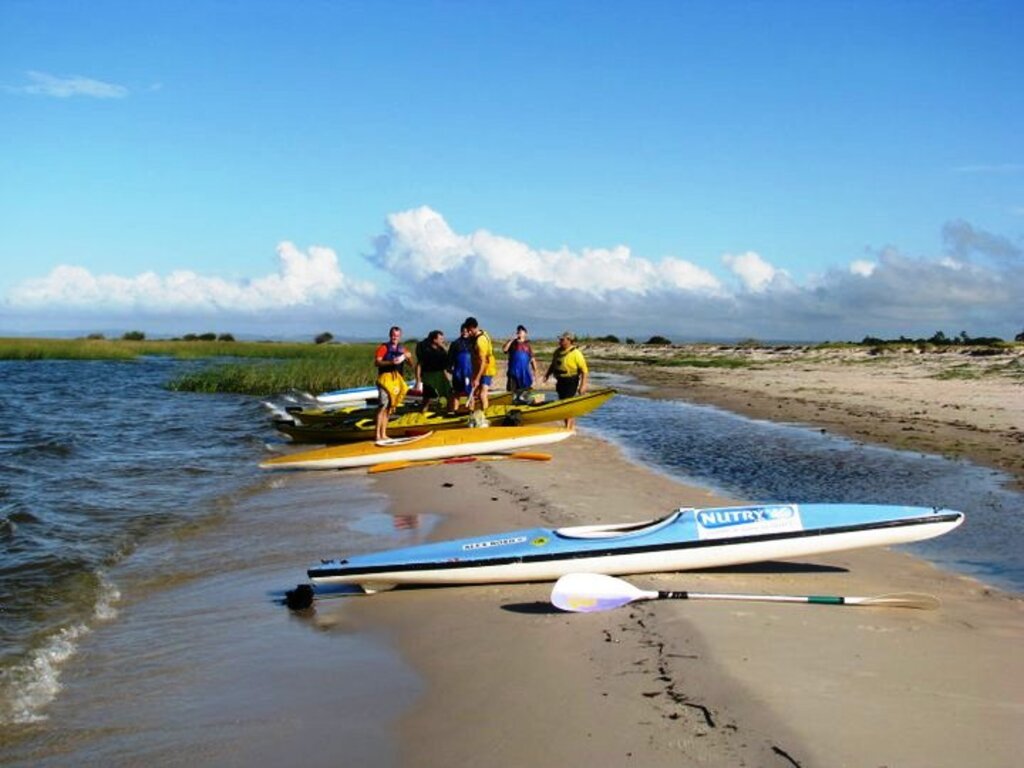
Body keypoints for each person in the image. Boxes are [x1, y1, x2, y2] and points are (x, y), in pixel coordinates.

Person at [543, 330, 589, 429]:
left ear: (569, 340)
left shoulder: (576, 353)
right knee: (563, 403)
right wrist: (547, 375)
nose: (560, 341)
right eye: (560, 339)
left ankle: (569, 427)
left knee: (567, 404)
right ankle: (568, 426)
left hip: (571, 380)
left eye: (562, 339)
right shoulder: (557, 352)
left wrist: (583, 385)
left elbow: (584, 370)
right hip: (560, 381)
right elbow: (553, 365)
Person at [374, 326, 409, 442]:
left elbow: (411, 363)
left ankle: (384, 434)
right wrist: (390, 362)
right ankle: (377, 435)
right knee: (382, 406)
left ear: (400, 336)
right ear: (390, 335)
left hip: (396, 381)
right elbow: (377, 362)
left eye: (397, 336)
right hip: (385, 380)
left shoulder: (402, 349)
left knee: (389, 408)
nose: (395, 337)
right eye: (393, 335)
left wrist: (408, 357)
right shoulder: (383, 348)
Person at [414, 329, 453, 413]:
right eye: (441, 339)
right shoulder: (425, 350)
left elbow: (448, 362)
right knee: (427, 398)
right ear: (434, 340)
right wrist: (418, 380)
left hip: (441, 375)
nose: (443, 340)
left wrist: (444, 347)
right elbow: (419, 365)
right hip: (428, 376)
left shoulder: (442, 350)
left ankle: (449, 412)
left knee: (448, 395)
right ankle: (422, 413)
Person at [464, 316, 496, 412]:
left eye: (469, 331)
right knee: (475, 393)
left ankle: (485, 414)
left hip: (487, 368)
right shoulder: (480, 333)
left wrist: (477, 378)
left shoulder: (480, 341)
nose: (468, 333)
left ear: (473, 328)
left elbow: (483, 362)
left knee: (482, 393)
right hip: (479, 367)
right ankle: (473, 412)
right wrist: (474, 376)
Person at [502, 324, 538, 398]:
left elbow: (532, 359)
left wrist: (535, 371)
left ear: (525, 333)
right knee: (512, 393)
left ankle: (524, 404)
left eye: (521, 331)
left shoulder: (528, 345)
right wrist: (511, 339)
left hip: (524, 373)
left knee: (524, 393)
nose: (519, 333)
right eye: (518, 331)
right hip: (513, 373)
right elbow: (504, 349)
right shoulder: (513, 343)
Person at [447, 323, 474, 412]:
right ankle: (455, 410)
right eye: (463, 331)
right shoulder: (455, 343)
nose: (465, 333)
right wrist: (450, 369)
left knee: (470, 392)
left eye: (467, 331)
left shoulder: (472, 343)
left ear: (469, 332)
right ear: (460, 331)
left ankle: (471, 410)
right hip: (458, 372)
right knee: (456, 392)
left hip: (469, 372)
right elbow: (450, 358)